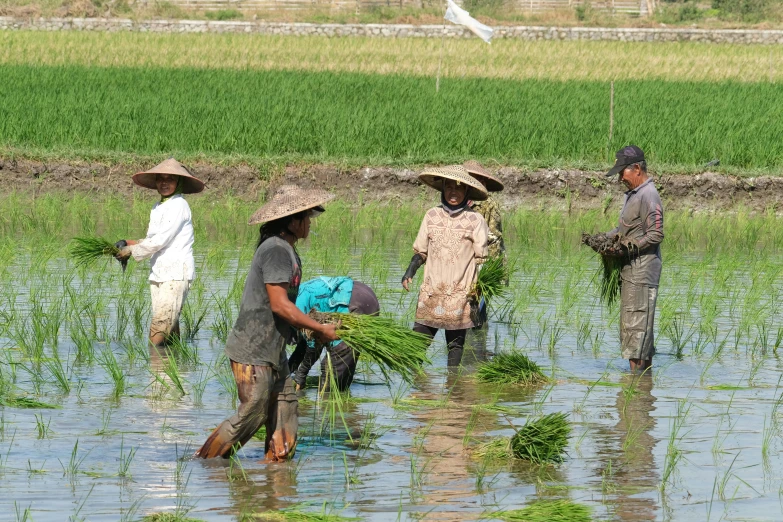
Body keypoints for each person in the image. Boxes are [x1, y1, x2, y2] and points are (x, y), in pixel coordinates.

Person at [195, 185, 339, 461]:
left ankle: (277, 475)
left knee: (285, 408)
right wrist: (320, 328)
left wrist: (309, 324)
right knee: (254, 413)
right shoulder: (276, 250)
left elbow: (284, 305)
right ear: (293, 221)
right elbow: (279, 304)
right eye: (307, 217)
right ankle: (205, 463)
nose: (309, 223)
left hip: (272, 351)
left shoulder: (286, 249)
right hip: (253, 350)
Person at [401, 165, 489, 367]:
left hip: (460, 296)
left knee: (455, 349)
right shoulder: (431, 215)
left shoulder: (475, 220)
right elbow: (421, 251)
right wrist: (409, 272)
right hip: (431, 293)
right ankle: (417, 390)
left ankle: (452, 392)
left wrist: (478, 296)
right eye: (449, 187)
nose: (453, 192)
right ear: (442, 189)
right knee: (416, 347)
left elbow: (482, 259)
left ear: (466, 192)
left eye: (459, 188)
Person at [588, 146, 664, 374]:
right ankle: (643, 389)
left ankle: (634, 392)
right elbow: (626, 229)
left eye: (623, 172)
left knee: (636, 332)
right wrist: (604, 239)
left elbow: (656, 233)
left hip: (641, 273)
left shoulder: (648, 195)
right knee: (636, 333)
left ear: (637, 169)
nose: (620, 177)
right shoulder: (635, 195)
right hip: (632, 272)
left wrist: (627, 249)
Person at [115, 158, 204, 348]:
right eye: (160, 179)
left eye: (170, 179)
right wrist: (128, 242)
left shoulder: (179, 205)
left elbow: (160, 240)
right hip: (160, 273)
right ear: (156, 182)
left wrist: (131, 250)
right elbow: (152, 239)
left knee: (158, 329)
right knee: (170, 331)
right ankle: (175, 369)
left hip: (175, 274)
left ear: (178, 182)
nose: (164, 183)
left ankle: (154, 368)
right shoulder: (159, 207)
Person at [287, 277, 380, 392]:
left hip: (353, 305)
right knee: (346, 360)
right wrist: (288, 371)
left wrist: (301, 375)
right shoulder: (298, 292)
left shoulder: (294, 309)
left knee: (331, 366)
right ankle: (347, 405)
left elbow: (313, 345)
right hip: (363, 294)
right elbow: (303, 346)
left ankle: (329, 403)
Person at [464, 160, 506, 328]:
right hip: (466, 261)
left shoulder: (488, 204)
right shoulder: (459, 200)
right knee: (466, 302)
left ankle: (478, 343)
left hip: (485, 260)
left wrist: (487, 269)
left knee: (477, 305)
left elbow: (495, 237)